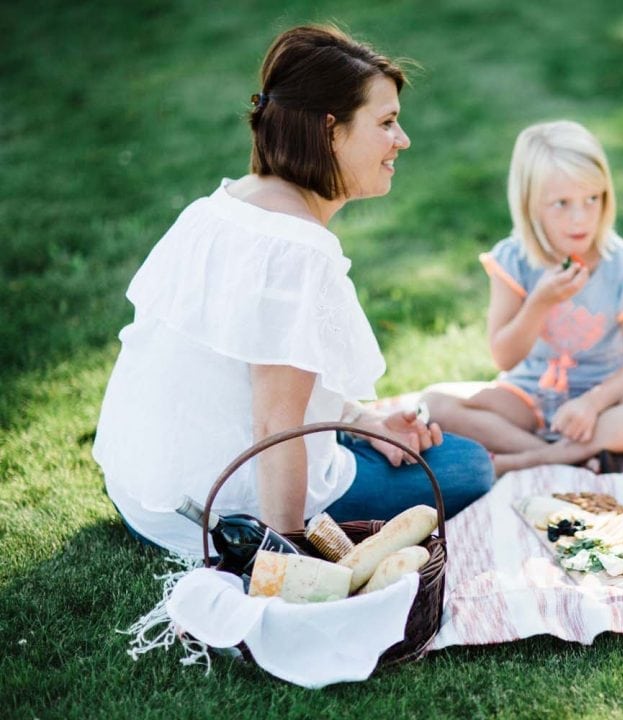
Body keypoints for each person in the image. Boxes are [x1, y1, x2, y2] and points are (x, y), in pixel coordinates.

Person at [93, 25, 494, 557]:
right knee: (468, 464)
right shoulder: (299, 251)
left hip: (142, 491)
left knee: (401, 439)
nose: (403, 140)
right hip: (221, 513)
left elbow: (258, 365)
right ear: (331, 132)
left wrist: (364, 422)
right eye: (387, 123)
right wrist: (289, 557)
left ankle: (358, 439)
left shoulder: (217, 208)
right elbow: (275, 424)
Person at [422, 121, 623, 475]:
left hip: (605, 402)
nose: (580, 218)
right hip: (531, 396)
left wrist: (592, 403)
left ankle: (534, 460)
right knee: (434, 404)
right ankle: (572, 457)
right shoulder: (514, 260)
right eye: (561, 203)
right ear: (531, 205)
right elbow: (505, 356)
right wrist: (540, 302)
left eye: (592, 199)